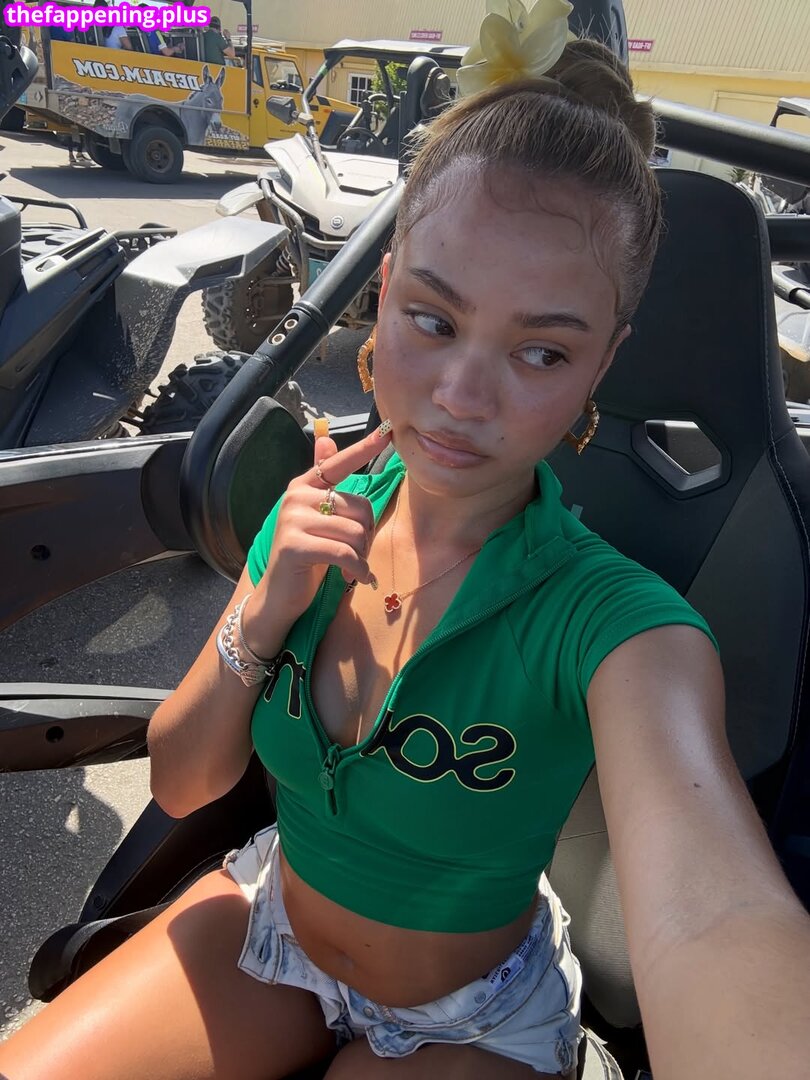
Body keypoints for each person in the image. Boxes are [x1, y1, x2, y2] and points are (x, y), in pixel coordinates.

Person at [2, 3, 810, 1079]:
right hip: (271, 931)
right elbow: (185, 785)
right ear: (381, 299)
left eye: (541, 352)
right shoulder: (314, 513)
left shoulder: (617, 624)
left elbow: (715, 918)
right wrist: (264, 609)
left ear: (601, 366)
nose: (463, 396)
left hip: (468, 1017)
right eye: (434, 319)